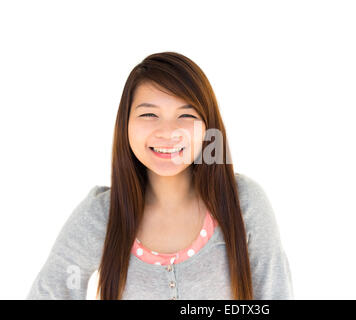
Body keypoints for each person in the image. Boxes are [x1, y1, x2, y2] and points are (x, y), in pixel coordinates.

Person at [26, 52, 294, 300]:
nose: (168, 132)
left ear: (208, 127)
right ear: (126, 123)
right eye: (149, 114)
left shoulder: (244, 203)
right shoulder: (101, 216)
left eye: (186, 114)